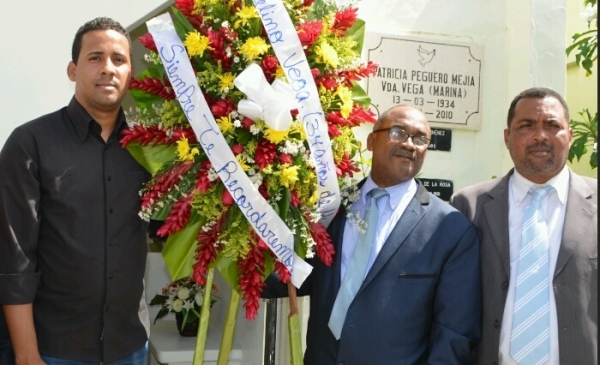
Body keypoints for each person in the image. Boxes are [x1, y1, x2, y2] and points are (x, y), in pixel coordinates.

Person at [266, 104, 482, 364]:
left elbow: (454, 333)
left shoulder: (451, 229)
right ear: (371, 140)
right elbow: (292, 276)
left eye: (420, 138)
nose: (410, 144)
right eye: (398, 132)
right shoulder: (329, 209)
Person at [0, 17, 150, 364]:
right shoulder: (30, 144)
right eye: (95, 57)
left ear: (130, 75)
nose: (108, 68)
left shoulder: (148, 149)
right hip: (55, 350)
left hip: (130, 346)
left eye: (119, 60)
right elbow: (14, 259)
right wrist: (26, 355)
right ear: (73, 69)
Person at [450, 87, 597, 365]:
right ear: (507, 137)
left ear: (570, 136)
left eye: (553, 125)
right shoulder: (469, 205)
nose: (540, 136)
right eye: (526, 125)